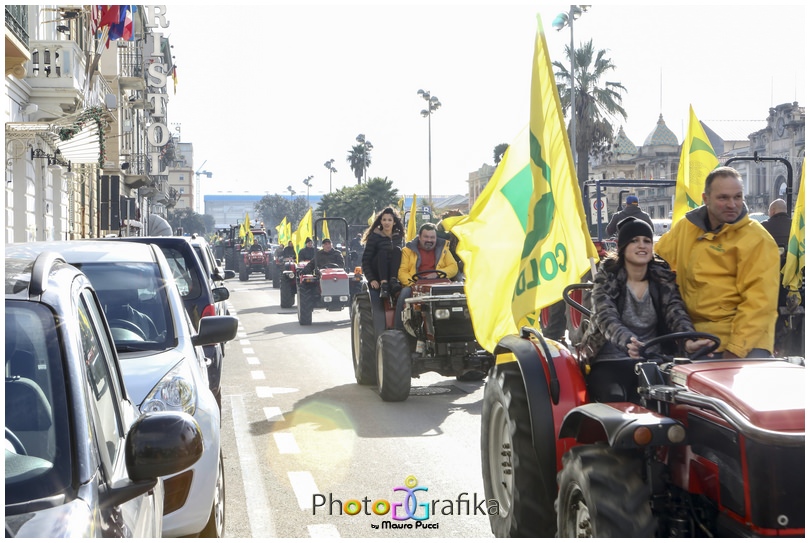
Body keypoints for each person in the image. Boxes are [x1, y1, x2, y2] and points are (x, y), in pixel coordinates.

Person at [579, 217, 713, 402]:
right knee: (615, 396)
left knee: (682, 400)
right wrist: (627, 341)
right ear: (623, 247)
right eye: (634, 241)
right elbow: (605, 317)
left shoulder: (662, 279)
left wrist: (688, 340)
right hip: (611, 359)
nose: (641, 245)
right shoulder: (606, 278)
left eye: (647, 241)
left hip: (653, 359)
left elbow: (676, 312)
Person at [656, 166, 780, 359]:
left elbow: (760, 303)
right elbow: (655, 261)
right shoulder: (685, 228)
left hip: (743, 343)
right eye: (723, 198)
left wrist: (736, 350)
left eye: (737, 197)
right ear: (706, 199)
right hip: (694, 337)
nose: (732, 204)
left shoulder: (757, 239)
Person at [395, 223, 459, 328]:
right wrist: (412, 284)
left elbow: (453, 267)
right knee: (405, 293)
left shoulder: (444, 249)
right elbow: (402, 271)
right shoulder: (407, 250)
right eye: (426, 237)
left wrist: (437, 274)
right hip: (415, 284)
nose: (429, 240)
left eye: (432, 237)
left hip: (439, 283)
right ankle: (398, 328)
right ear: (419, 237)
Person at [362, 207, 405, 298]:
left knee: (397, 250)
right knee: (383, 252)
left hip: (394, 271)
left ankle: (393, 281)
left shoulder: (399, 237)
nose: (386, 222)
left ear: (394, 222)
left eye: (389, 220)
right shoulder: (374, 237)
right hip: (378, 270)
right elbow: (365, 261)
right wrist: (372, 279)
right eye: (384, 220)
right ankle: (384, 284)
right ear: (380, 221)